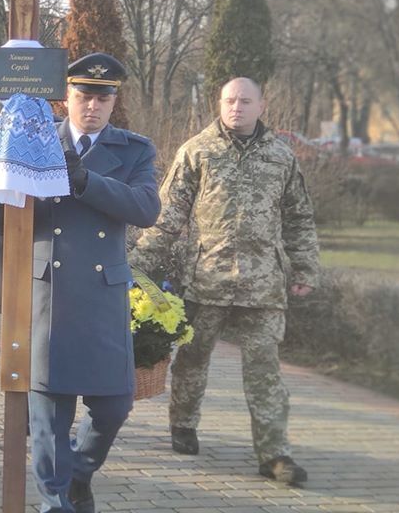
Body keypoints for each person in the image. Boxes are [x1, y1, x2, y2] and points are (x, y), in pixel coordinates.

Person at [132, 77, 320, 486]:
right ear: (219, 104)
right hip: (205, 280)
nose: (236, 107)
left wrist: (305, 268)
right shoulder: (197, 151)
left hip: (262, 285)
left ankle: (274, 455)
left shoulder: (281, 156)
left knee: (265, 371)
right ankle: (183, 424)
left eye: (245, 101)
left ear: (261, 106)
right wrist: (136, 265)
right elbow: (167, 217)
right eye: (229, 100)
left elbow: (299, 217)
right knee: (193, 360)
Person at [24, 53, 160, 513]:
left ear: (113, 101)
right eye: (84, 96)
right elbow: (9, 213)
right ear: (67, 97)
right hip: (50, 291)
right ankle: (54, 503)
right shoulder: (37, 141)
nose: (93, 106)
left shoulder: (133, 149)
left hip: (102, 294)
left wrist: (86, 180)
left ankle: (80, 471)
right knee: (48, 415)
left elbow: (145, 209)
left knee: (114, 407)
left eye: (103, 98)